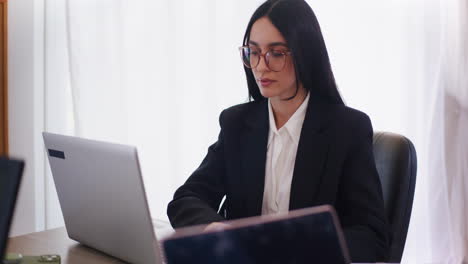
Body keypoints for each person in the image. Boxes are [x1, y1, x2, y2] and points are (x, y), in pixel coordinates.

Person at [167, 0, 388, 262]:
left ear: (305, 53)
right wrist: (217, 229)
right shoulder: (237, 123)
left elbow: (371, 236)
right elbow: (186, 199)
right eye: (253, 52)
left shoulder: (347, 129)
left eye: (276, 53)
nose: (261, 66)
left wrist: (299, 248)